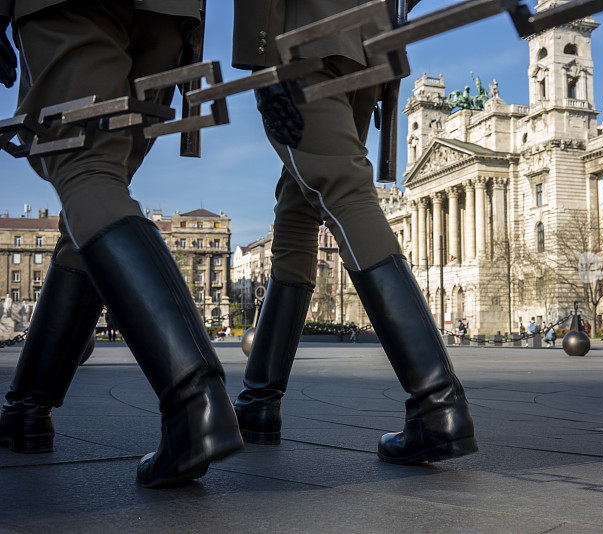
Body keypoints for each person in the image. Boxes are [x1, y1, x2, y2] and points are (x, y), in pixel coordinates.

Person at [0, 2, 242, 487]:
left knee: (82, 166)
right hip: (169, 13)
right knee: (95, 191)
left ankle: (194, 398)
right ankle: (29, 407)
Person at [231, 0, 477, 464]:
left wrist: (262, 62)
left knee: (341, 190)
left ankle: (437, 403)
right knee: (299, 205)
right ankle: (259, 402)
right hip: (366, 44)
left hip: (305, 36)